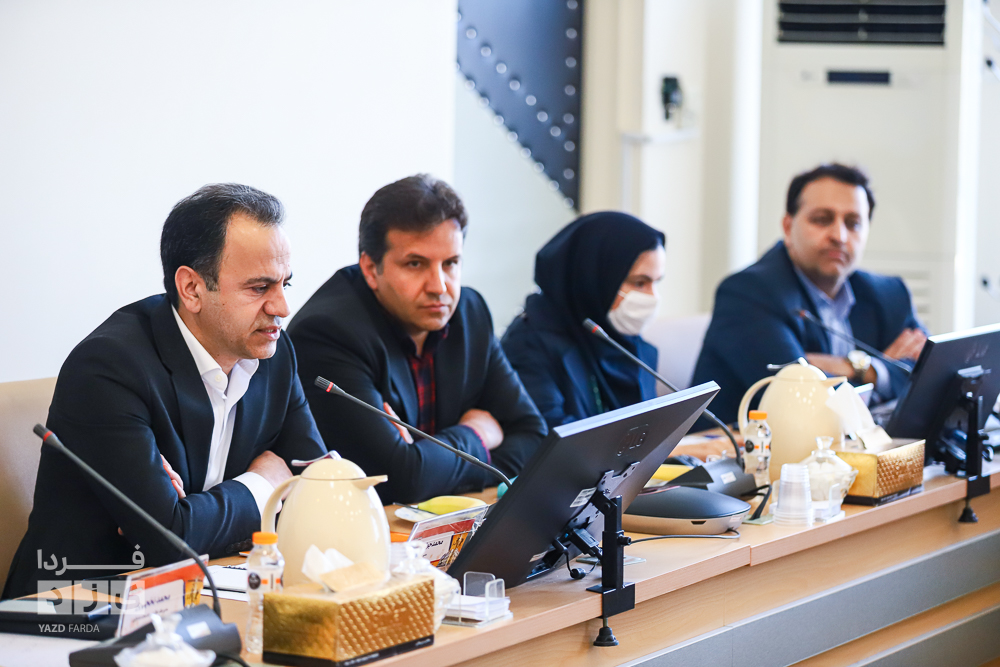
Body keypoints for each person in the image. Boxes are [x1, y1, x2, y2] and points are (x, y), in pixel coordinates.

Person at [3, 184, 326, 600]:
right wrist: (263, 485)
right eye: (259, 288)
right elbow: (170, 540)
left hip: (204, 593)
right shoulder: (108, 369)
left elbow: (315, 487)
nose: (281, 308)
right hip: (76, 605)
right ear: (192, 289)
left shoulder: (272, 353)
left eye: (285, 284)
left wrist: (198, 517)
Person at [287, 174, 546, 505]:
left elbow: (533, 437)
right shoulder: (329, 333)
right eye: (415, 264)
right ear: (371, 269)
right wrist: (476, 435)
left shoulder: (469, 314)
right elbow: (401, 480)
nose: (439, 286)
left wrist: (431, 464)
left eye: (450, 263)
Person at [692, 163, 926, 425]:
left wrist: (857, 367)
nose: (839, 236)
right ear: (787, 227)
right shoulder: (747, 294)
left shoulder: (890, 294)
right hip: (739, 449)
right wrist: (884, 370)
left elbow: (930, 380)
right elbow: (803, 400)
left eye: (853, 223)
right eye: (822, 219)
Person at [501, 212, 667, 431]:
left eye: (656, 282)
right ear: (594, 277)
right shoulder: (528, 346)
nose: (653, 297)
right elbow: (551, 438)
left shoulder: (628, 344)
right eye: (639, 283)